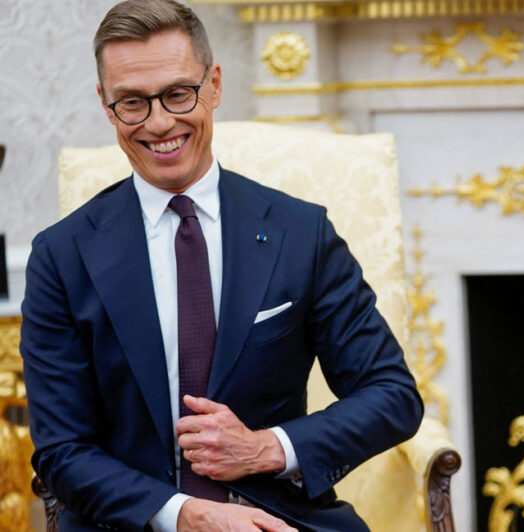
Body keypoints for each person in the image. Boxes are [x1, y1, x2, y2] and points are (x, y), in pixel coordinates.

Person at [20, 1, 422, 530]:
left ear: (214, 84)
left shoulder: (300, 233)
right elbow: (62, 451)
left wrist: (266, 449)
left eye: (177, 94)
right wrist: (183, 515)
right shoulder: (61, 256)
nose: (159, 122)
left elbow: (391, 395)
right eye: (132, 103)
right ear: (105, 103)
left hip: (277, 517)